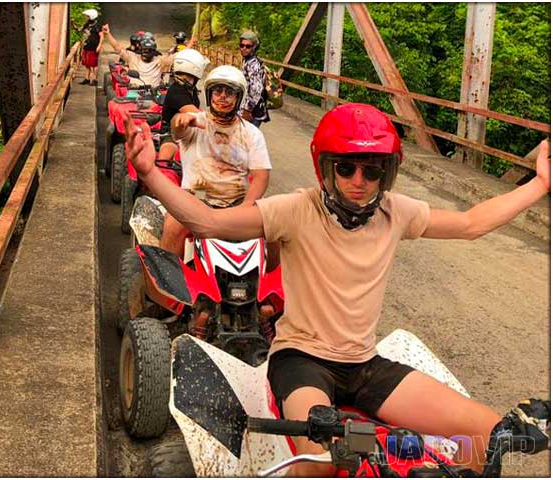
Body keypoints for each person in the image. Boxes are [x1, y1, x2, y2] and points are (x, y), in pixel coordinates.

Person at [123, 102, 551, 475]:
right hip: (302, 360)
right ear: (326, 167)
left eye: (372, 169)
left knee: (486, 436)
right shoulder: (297, 209)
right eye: (345, 167)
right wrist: (149, 173)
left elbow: (471, 224)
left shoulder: (395, 212)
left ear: (387, 173)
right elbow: (210, 223)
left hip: (365, 364)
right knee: (319, 463)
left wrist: (540, 184)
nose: (358, 180)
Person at [160, 65, 272, 257]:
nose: (222, 96)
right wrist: (180, 120)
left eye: (229, 92)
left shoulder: (252, 133)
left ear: (239, 98)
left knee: (275, 227)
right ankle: (168, 283)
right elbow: (178, 128)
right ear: (210, 95)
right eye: (217, 91)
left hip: (237, 203)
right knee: (173, 224)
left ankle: (270, 285)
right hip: (194, 200)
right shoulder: (195, 122)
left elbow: (261, 176)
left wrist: (247, 206)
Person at [157, 48, 209, 161]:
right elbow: (198, 115)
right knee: (164, 159)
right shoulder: (177, 91)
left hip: (191, 132)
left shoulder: (192, 89)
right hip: (171, 135)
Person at [101, 26, 172, 89]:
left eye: (148, 50)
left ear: (153, 51)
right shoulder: (132, 57)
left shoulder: (160, 61)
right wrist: (107, 34)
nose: (146, 53)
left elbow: (176, 57)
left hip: (154, 93)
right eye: (144, 50)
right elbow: (117, 48)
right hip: (134, 92)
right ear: (140, 49)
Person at [238, 31, 270, 127]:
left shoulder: (253, 65)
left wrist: (247, 110)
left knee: (247, 140)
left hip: (253, 112)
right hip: (251, 109)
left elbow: (256, 89)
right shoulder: (248, 61)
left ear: (254, 48)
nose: (244, 48)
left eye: (248, 46)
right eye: (242, 45)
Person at [79, 9, 103, 86]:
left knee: (94, 64)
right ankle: (87, 78)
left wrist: (99, 45)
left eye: (87, 16)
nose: (86, 17)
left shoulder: (97, 25)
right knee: (86, 64)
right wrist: (73, 24)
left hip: (94, 47)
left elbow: (101, 36)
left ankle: (95, 79)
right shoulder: (88, 24)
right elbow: (80, 30)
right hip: (87, 46)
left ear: (91, 16)